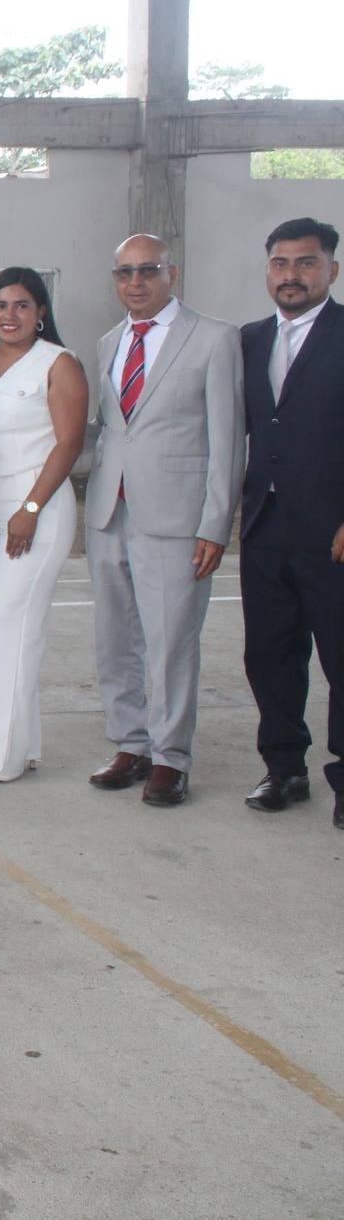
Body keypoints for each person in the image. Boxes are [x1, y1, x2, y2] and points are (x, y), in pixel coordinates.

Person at [83, 234, 243, 806]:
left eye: (147, 270)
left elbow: (228, 438)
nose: (135, 282)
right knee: (115, 638)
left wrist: (215, 523)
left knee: (172, 641)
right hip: (109, 510)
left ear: (171, 274)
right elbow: (114, 429)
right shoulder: (110, 341)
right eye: (124, 272)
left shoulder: (215, 338)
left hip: (178, 517)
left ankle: (171, 757)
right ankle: (131, 743)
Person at [236, 217, 344, 828]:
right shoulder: (251, 340)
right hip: (265, 526)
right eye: (280, 263)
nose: (292, 274)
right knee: (270, 653)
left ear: (332, 269)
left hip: (333, 531)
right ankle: (284, 768)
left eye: (306, 262)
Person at [0, 269, 88, 783]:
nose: (9, 315)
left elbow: (69, 444)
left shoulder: (59, 363)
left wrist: (31, 509)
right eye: (0, 305)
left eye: (21, 305)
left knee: (13, 626)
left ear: (41, 314)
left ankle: (0, 760)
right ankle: (21, 742)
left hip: (37, 512)